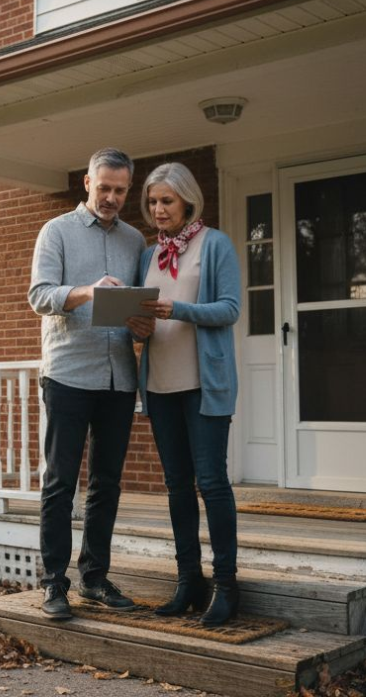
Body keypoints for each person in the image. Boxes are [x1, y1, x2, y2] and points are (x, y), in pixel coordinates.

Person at [27, 147, 145, 621]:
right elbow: (39, 295)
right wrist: (87, 292)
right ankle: (54, 582)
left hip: (119, 376)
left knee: (107, 484)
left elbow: (135, 303)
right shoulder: (56, 231)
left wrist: (142, 323)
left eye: (120, 190)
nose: (112, 197)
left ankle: (94, 577)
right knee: (60, 484)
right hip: (69, 374)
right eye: (104, 188)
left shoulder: (136, 241)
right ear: (87, 183)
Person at [127, 161, 242, 626]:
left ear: (187, 201)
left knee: (211, 483)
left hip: (203, 385)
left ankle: (226, 585)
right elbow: (143, 318)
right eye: (152, 202)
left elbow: (230, 309)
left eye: (166, 201)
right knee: (176, 487)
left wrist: (180, 307)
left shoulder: (214, 245)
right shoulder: (148, 256)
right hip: (159, 385)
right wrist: (137, 323)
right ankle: (187, 580)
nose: (157, 209)